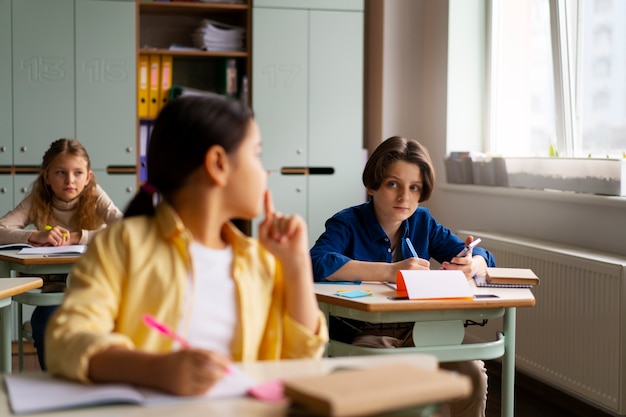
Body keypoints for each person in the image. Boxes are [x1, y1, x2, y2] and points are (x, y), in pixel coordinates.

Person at [45, 94, 328, 396]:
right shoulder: (124, 243)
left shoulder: (258, 260)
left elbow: (301, 361)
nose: (265, 172)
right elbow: (66, 340)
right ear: (218, 163)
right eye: (256, 155)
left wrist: (297, 266)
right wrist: (156, 370)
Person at [310, 136, 496, 417]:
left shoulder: (423, 222)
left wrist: (474, 264)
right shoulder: (347, 223)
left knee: (472, 377)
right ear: (373, 186)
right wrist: (389, 271)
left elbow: (484, 257)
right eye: (393, 184)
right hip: (365, 335)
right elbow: (317, 262)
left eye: (414, 188)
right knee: (385, 390)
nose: (404, 197)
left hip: (421, 334)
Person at [0, 138, 123, 370]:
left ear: (88, 177)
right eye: (60, 172)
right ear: (46, 176)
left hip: (93, 290)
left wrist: (79, 236)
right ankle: (54, 384)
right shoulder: (38, 199)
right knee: (46, 322)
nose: (70, 180)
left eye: (78, 173)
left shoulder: (95, 195)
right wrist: (33, 235)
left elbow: (126, 229)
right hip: (53, 292)